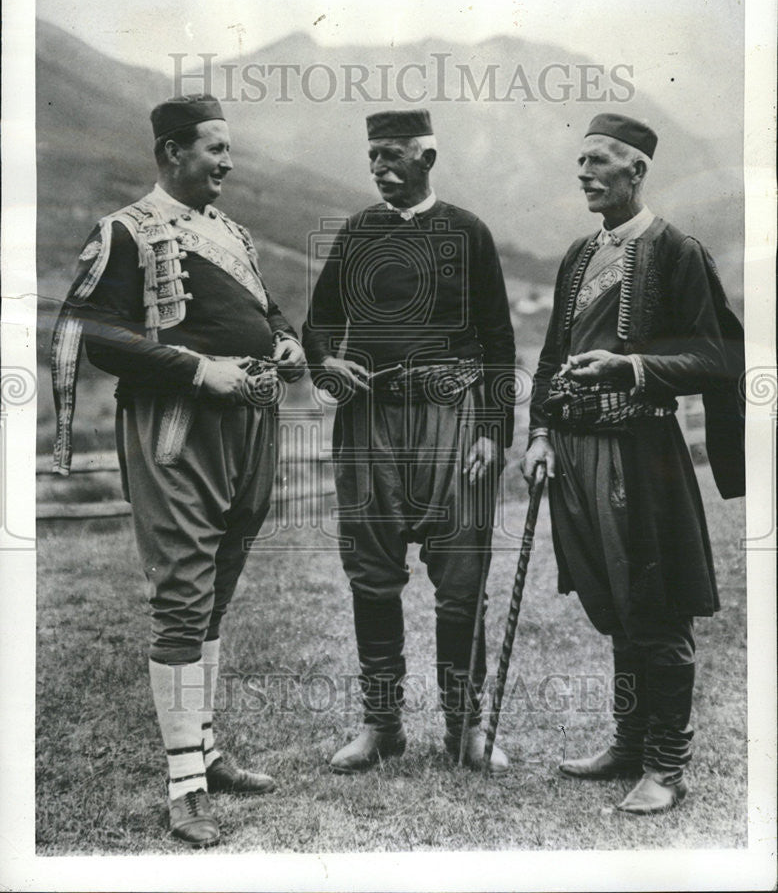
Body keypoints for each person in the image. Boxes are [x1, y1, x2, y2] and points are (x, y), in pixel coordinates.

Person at [50, 94, 306, 848]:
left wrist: (285, 344)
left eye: (229, 150)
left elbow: (269, 311)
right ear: (171, 153)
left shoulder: (230, 231)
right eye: (214, 149)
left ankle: (205, 750)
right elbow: (96, 334)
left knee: (218, 590)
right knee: (183, 593)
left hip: (251, 426)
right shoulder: (126, 232)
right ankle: (184, 784)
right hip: (178, 428)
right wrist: (200, 371)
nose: (227, 162)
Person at [521, 113, 744, 814]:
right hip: (577, 452)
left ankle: (665, 764)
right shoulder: (578, 256)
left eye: (599, 161)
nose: (584, 173)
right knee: (615, 606)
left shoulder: (677, 250)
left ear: (636, 170)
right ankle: (627, 741)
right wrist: (537, 434)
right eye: (579, 161)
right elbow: (553, 357)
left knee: (655, 605)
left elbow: (717, 357)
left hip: (643, 454)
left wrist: (634, 366)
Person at [302, 109, 516, 774]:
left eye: (392, 155)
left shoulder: (468, 231)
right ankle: (381, 725)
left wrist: (492, 433)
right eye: (371, 156)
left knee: (461, 583)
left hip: (453, 421)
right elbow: (316, 325)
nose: (378, 167)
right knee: (372, 577)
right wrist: (323, 365)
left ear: (427, 157)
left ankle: (466, 728)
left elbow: (500, 341)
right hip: (371, 424)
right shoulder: (358, 233)